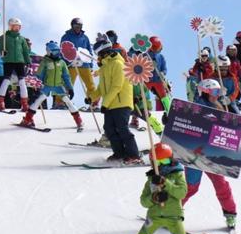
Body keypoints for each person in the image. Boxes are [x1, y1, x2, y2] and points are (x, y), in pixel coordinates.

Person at [116, 143, 210, 234]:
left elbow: (181, 193)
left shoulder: (178, 174)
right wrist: (154, 198)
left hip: (173, 217)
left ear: (171, 160)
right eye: (158, 163)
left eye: (165, 162)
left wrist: (165, 183)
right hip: (154, 217)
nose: (162, 166)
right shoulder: (151, 179)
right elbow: (143, 201)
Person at [184, 79, 239, 230]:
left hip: (212, 153)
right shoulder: (196, 107)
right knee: (191, 187)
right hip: (195, 152)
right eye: (215, 92)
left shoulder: (220, 107)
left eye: (218, 92)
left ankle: (230, 214)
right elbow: (184, 124)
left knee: (221, 185)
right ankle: (171, 211)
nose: (217, 95)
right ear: (205, 92)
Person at [86, 35, 142, 165]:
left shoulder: (118, 64)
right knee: (109, 128)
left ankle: (134, 155)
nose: (98, 57)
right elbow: (101, 88)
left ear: (104, 52)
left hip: (121, 102)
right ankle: (119, 153)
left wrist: (104, 104)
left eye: (98, 54)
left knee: (122, 128)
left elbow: (117, 86)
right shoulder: (105, 67)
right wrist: (91, 98)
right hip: (111, 104)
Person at [20, 41, 83, 130]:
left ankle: (79, 120)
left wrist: (70, 88)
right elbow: (39, 75)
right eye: (54, 51)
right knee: (38, 101)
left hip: (59, 86)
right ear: (49, 52)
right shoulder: (45, 62)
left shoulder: (61, 62)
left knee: (67, 101)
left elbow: (66, 76)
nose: (57, 53)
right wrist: (37, 86)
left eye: (58, 51)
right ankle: (27, 119)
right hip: (47, 85)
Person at [0, 18, 31, 111]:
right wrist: (2, 52)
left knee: (22, 82)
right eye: (14, 26)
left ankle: (25, 103)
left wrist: (28, 61)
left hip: (20, 61)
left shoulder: (21, 38)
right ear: (10, 26)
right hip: (9, 60)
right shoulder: (4, 37)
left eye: (18, 27)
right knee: (6, 80)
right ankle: (0, 102)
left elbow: (25, 51)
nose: (17, 28)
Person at [58, 18, 95, 109]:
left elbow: (89, 50)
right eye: (76, 26)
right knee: (68, 83)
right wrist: (64, 63)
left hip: (84, 64)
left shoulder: (84, 37)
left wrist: (90, 65)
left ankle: (93, 103)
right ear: (72, 26)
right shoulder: (66, 36)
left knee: (90, 84)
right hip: (71, 64)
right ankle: (60, 103)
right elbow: (63, 50)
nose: (78, 28)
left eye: (80, 26)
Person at [144, 36, 171, 113]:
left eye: (157, 48)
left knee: (163, 95)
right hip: (147, 80)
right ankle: (145, 111)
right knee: (143, 95)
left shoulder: (161, 57)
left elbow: (164, 68)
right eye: (155, 48)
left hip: (158, 80)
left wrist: (163, 73)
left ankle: (168, 111)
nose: (156, 50)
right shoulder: (145, 55)